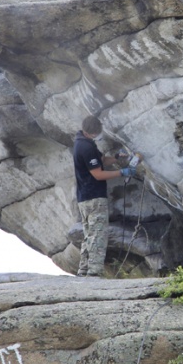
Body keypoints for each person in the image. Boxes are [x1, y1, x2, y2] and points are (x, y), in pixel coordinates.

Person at [73, 115, 135, 277]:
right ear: (92, 132)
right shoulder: (85, 148)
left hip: (84, 197)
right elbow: (98, 174)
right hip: (94, 197)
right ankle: (94, 272)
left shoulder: (82, 143)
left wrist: (114, 159)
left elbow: (100, 161)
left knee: (89, 234)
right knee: (98, 235)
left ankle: (83, 270)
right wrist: (121, 172)